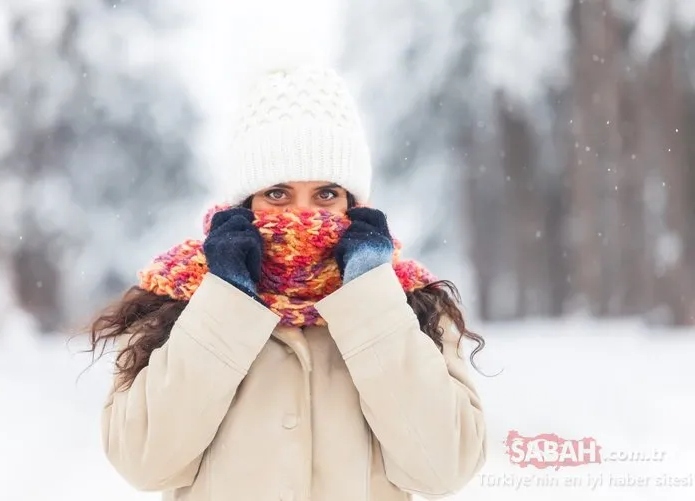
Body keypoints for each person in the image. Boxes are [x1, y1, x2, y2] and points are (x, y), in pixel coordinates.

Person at [88, 65, 487, 501]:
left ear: (353, 203)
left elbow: (445, 468)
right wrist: (226, 299)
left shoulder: (411, 305)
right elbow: (144, 462)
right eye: (277, 193)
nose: (301, 213)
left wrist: (371, 299)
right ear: (244, 203)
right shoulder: (177, 300)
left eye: (326, 194)